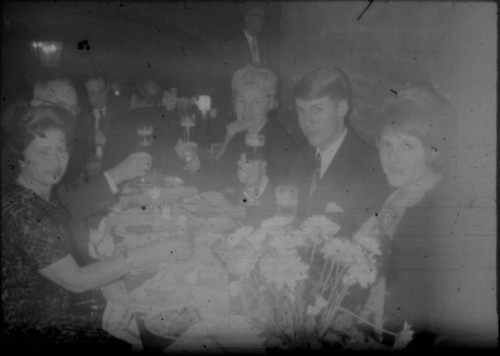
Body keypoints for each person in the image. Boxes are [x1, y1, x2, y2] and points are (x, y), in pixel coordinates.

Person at [0, 106, 193, 350]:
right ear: (20, 159)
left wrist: (106, 287)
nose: (56, 161)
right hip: (36, 331)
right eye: (43, 152)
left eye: (61, 149)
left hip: (63, 308)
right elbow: (75, 280)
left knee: (156, 322)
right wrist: (149, 252)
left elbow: (64, 260)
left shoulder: (40, 195)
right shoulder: (21, 211)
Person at [359, 83, 458, 348]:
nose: (392, 158)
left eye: (407, 146)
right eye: (386, 144)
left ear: (432, 150)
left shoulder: (441, 215)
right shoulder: (394, 196)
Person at [290, 67, 390, 236]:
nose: (307, 122)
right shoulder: (301, 153)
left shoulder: (370, 166)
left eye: (317, 110)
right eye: (301, 111)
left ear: (342, 108)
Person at [210, 65, 296, 221]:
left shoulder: (281, 142)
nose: (246, 109)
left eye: (256, 102)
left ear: (271, 104)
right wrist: (229, 135)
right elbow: (216, 178)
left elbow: (277, 200)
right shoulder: (239, 135)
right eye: (241, 100)